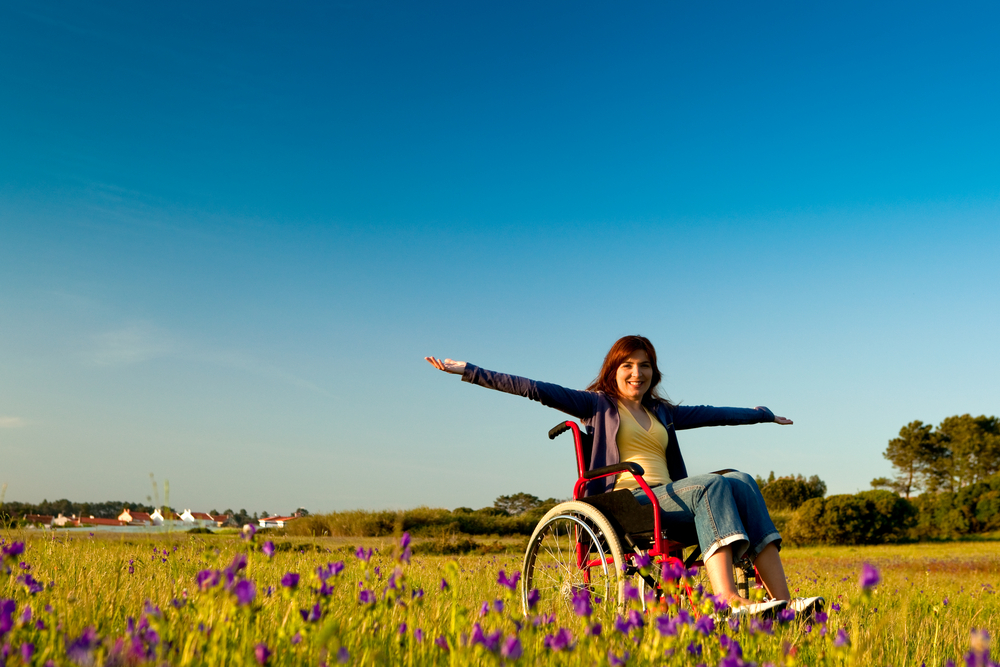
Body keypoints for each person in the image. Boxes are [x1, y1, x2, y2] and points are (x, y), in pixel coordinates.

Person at [426, 334, 823, 617]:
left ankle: (786, 604)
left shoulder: (663, 412)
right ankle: (726, 602)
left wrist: (761, 415)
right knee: (713, 484)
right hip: (628, 502)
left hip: (670, 497)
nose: (637, 373)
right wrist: (470, 371)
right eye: (628, 365)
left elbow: (714, 414)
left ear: (655, 372)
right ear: (613, 370)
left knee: (742, 480)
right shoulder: (597, 404)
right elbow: (534, 388)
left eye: (645, 365)